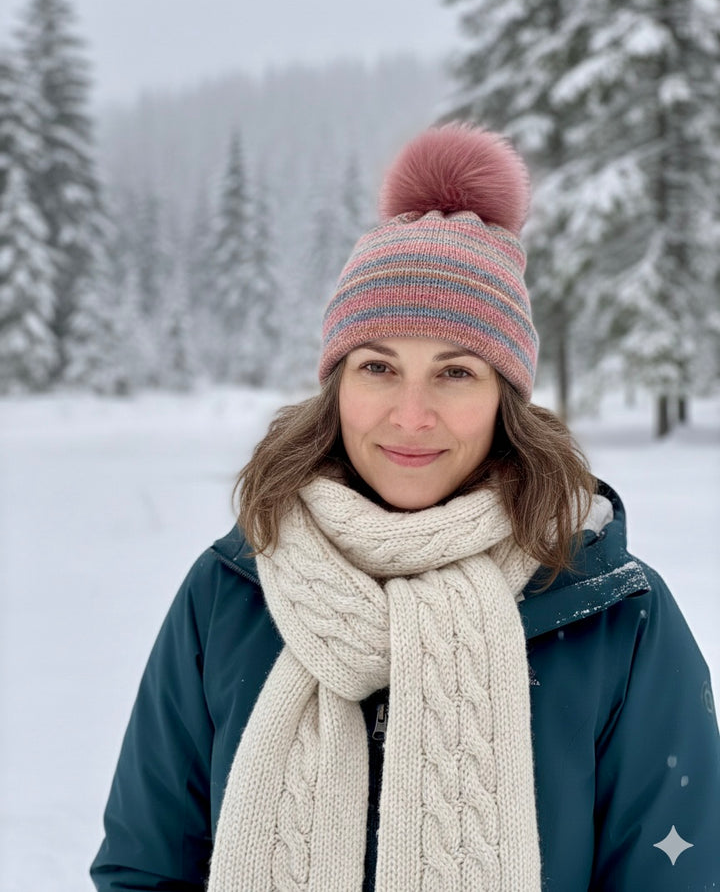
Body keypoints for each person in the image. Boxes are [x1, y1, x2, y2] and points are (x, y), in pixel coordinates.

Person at [91, 123, 720, 891]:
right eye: (378, 367)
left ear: (505, 400)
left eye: (455, 372)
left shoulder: (613, 614)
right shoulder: (232, 593)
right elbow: (146, 867)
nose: (411, 415)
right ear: (337, 384)